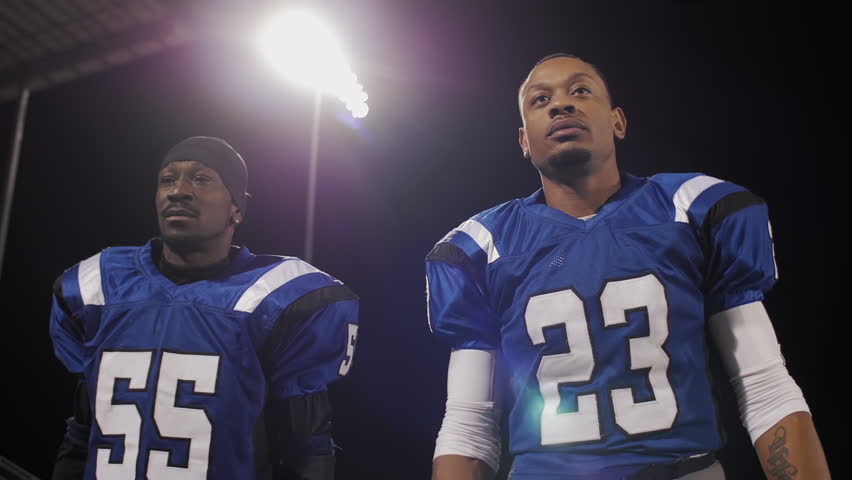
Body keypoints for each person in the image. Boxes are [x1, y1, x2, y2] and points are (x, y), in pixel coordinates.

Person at [425, 54, 830, 479]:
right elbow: (470, 424)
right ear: (524, 140)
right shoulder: (482, 246)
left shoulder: (688, 210)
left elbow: (763, 385)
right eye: (540, 99)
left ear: (618, 121)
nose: (561, 105)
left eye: (580, 91)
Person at [49, 136, 359, 479]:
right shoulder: (102, 288)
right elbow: (81, 436)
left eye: (201, 178)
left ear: (236, 208)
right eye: (167, 179)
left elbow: (307, 451)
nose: (178, 191)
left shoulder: (274, 298)